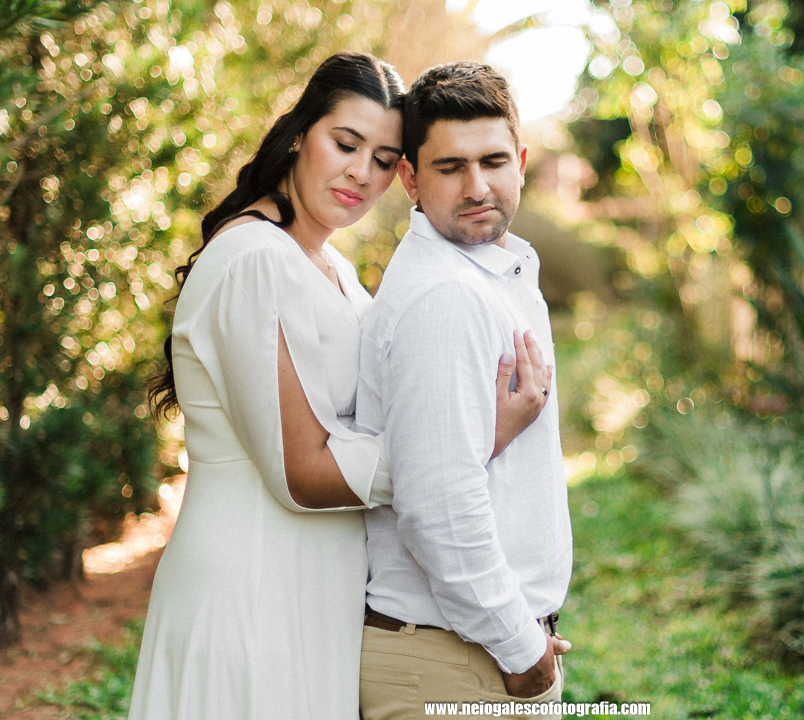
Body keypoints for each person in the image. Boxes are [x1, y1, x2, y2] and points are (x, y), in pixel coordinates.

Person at [131, 53, 549, 720]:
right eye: (345, 144)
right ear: (300, 133)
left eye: (383, 158)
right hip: (253, 584)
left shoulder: (331, 266)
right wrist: (473, 436)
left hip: (318, 590)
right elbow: (302, 472)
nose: (362, 173)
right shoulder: (254, 258)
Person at [354, 61, 573, 720]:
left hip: (467, 654)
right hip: (454, 662)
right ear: (410, 179)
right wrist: (522, 649)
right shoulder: (446, 297)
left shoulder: (492, 274)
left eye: (493, 161)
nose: (477, 187)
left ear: (521, 162)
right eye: (450, 168)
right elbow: (438, 506)